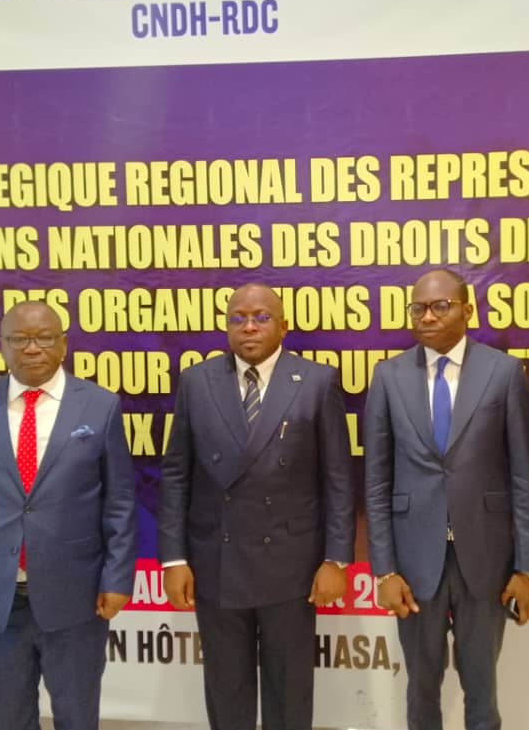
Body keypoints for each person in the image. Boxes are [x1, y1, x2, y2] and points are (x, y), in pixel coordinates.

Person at [0, 300, 137, 730]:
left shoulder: (100, 405)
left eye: (44, 338)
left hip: (76, 599)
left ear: (64, 344)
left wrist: (116, 580)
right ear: (1, 346)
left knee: (78, 719)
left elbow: (119, 502)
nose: (32, 348)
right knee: (8, 720)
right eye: (19, 339)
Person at [158, 283, 354, 730]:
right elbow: (176, 474)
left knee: (290, 693)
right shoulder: (197, 382)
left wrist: (336, 559)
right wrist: (173, 558)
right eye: (238, 318)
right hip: (217, 562)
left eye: (261, 317)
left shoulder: (316, 381)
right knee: (227, 692)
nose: (249, 326)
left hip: (292, 564)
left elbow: (338, 479)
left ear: (283, 326)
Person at [364, 267, 529, 730]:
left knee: (481, 689)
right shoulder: (388, 376)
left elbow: (524, 476)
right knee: (421, 689)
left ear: (467, 311)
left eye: (440, 306)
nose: (427, 316)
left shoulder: (503, 372)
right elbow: (377, 481)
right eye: (418, 308)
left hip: (485, 559)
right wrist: (384, 569)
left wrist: (528, 568)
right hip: (413, 563)